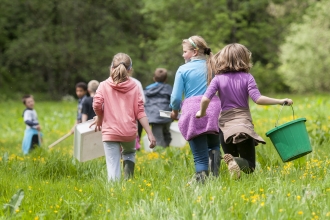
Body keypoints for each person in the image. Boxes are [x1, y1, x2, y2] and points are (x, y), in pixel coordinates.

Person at [196, 43, 293, 179]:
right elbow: (258, 99)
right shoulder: (247, 78)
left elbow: (205, 99)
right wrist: (280, 101)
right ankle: (235, 162)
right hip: (243, 125)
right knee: (249, 166)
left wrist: (202, 112)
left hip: (225, 126)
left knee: (231, 159)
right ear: (244, 59)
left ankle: (231, 164)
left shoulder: (217, 79)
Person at [91, 52, 156, 181]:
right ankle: (128, 182)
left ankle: (115, 192)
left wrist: (100, 117)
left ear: (111, 67)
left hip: (110, 131)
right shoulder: (135, 86)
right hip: (129, 131)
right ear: (130, 69)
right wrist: (149, 133)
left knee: (112, 162)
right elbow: (140, 112)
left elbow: (97, 104)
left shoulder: (104, 85)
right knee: (129, 153)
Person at [170, 35, 222, 183]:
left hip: (194, 111)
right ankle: (215, 179)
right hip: (214, 109)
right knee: (214, 145)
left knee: (200, 156)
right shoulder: (213, 66)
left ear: (194, 52)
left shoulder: (183, 69)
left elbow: (175, 98)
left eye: (185, 51)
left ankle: (202, 183)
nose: (183, 54)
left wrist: (174, 111)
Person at [144, 68, 172, 147]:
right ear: (166, 79)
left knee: (158, 137)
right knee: (166, 133)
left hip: (154, 115)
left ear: (154, 78)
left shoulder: (147, 89)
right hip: (166, 114)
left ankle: (161, 154)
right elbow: (174, 100)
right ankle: (166, 151)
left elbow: (143, 102)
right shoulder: (168, 88)